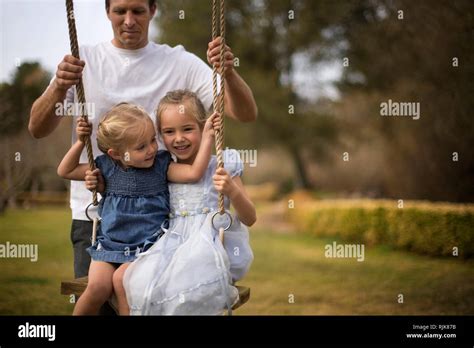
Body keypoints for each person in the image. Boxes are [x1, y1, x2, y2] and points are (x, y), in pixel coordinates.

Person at [28, 0, 257, 294]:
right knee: (96, 298)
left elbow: (245, 113)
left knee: (144, 303)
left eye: (137, 10)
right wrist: (59, 87)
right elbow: (37, 128)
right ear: (107, 12)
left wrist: (229, 73)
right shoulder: (83, 60)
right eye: (119, 11)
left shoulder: (180, 62)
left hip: (159, 222)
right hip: (95, 212)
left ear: (153, 10)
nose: (128, 20)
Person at [57, 102, 220, 315]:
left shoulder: (161, 165)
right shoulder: (106, 167)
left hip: (146, 250)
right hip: (109, 246)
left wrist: (208, 137)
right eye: (141, 147)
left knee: (123, 282)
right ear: (116, 154)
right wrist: (80, 142)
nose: (152, 149)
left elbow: (193, 173)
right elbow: (65, 170)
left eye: (153, 140)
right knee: (97, 287)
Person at [113, 90, 255, 315]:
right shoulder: (164, 168)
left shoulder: (223, 163)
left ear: (204, 127)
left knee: (184, 286)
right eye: (169, 131)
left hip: (209, 246)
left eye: (187, 129)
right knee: (133, 280)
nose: (178, 138)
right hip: (169, 244)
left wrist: (232, 191)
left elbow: (250, 218)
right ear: (160, 135)